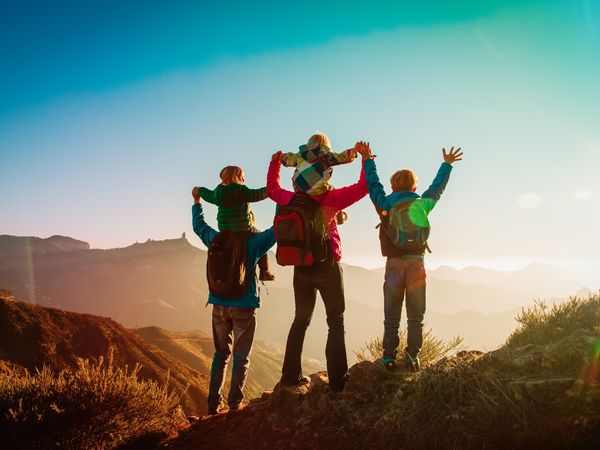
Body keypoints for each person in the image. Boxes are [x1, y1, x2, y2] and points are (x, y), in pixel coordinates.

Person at [267, 149, 368, 392]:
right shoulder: (331, 198)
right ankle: (337, 382)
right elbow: (363, 187)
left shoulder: (289, 199)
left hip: (301, 267)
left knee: (300, 319)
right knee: (335, 321)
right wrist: (366, 159)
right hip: (327, 266)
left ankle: (290, 376)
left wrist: (274, 163)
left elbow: (272, 188)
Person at [357, 141, 463, 371]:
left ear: (393, 186)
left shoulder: (385, 204)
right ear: (415, 186)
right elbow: (437, 188)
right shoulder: (421, 204)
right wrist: (447, 165)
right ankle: (413, 357)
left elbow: (373, 185)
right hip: (416, 264)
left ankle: (388, 358)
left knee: (391, 317)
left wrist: (367, 160)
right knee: (416, 316)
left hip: (393, 266)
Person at [191, 186, 276, 414]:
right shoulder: (254, 242)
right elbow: (276, 230)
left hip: (218, 305)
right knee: (241, 356)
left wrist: (197, 203)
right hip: (244, 305)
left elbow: (198, 226)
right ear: (246, 213)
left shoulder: (214, 239)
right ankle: (234, 404)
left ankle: (212, 404)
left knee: (220, 355)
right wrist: (282, 200)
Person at [198, 165, 276, 281]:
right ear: (238, 177)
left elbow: (207, 195)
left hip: (225, 230)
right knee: (261, 242)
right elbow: (257, 194)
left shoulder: (216, 194)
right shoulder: (241, 191)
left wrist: (199, 190)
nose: (244, 180)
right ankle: (264, 272)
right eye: (243, 177)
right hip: (244, 229)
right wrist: (271, 190)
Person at [281, 132, 358, 196]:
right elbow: (341, 157)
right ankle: (338, 211)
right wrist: (353, 152)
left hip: (299, 189)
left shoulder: (300, 155)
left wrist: (283, 156)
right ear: (324, 145)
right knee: (332, 189)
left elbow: (289, 160)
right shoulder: (326, 155)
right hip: (318, 191)